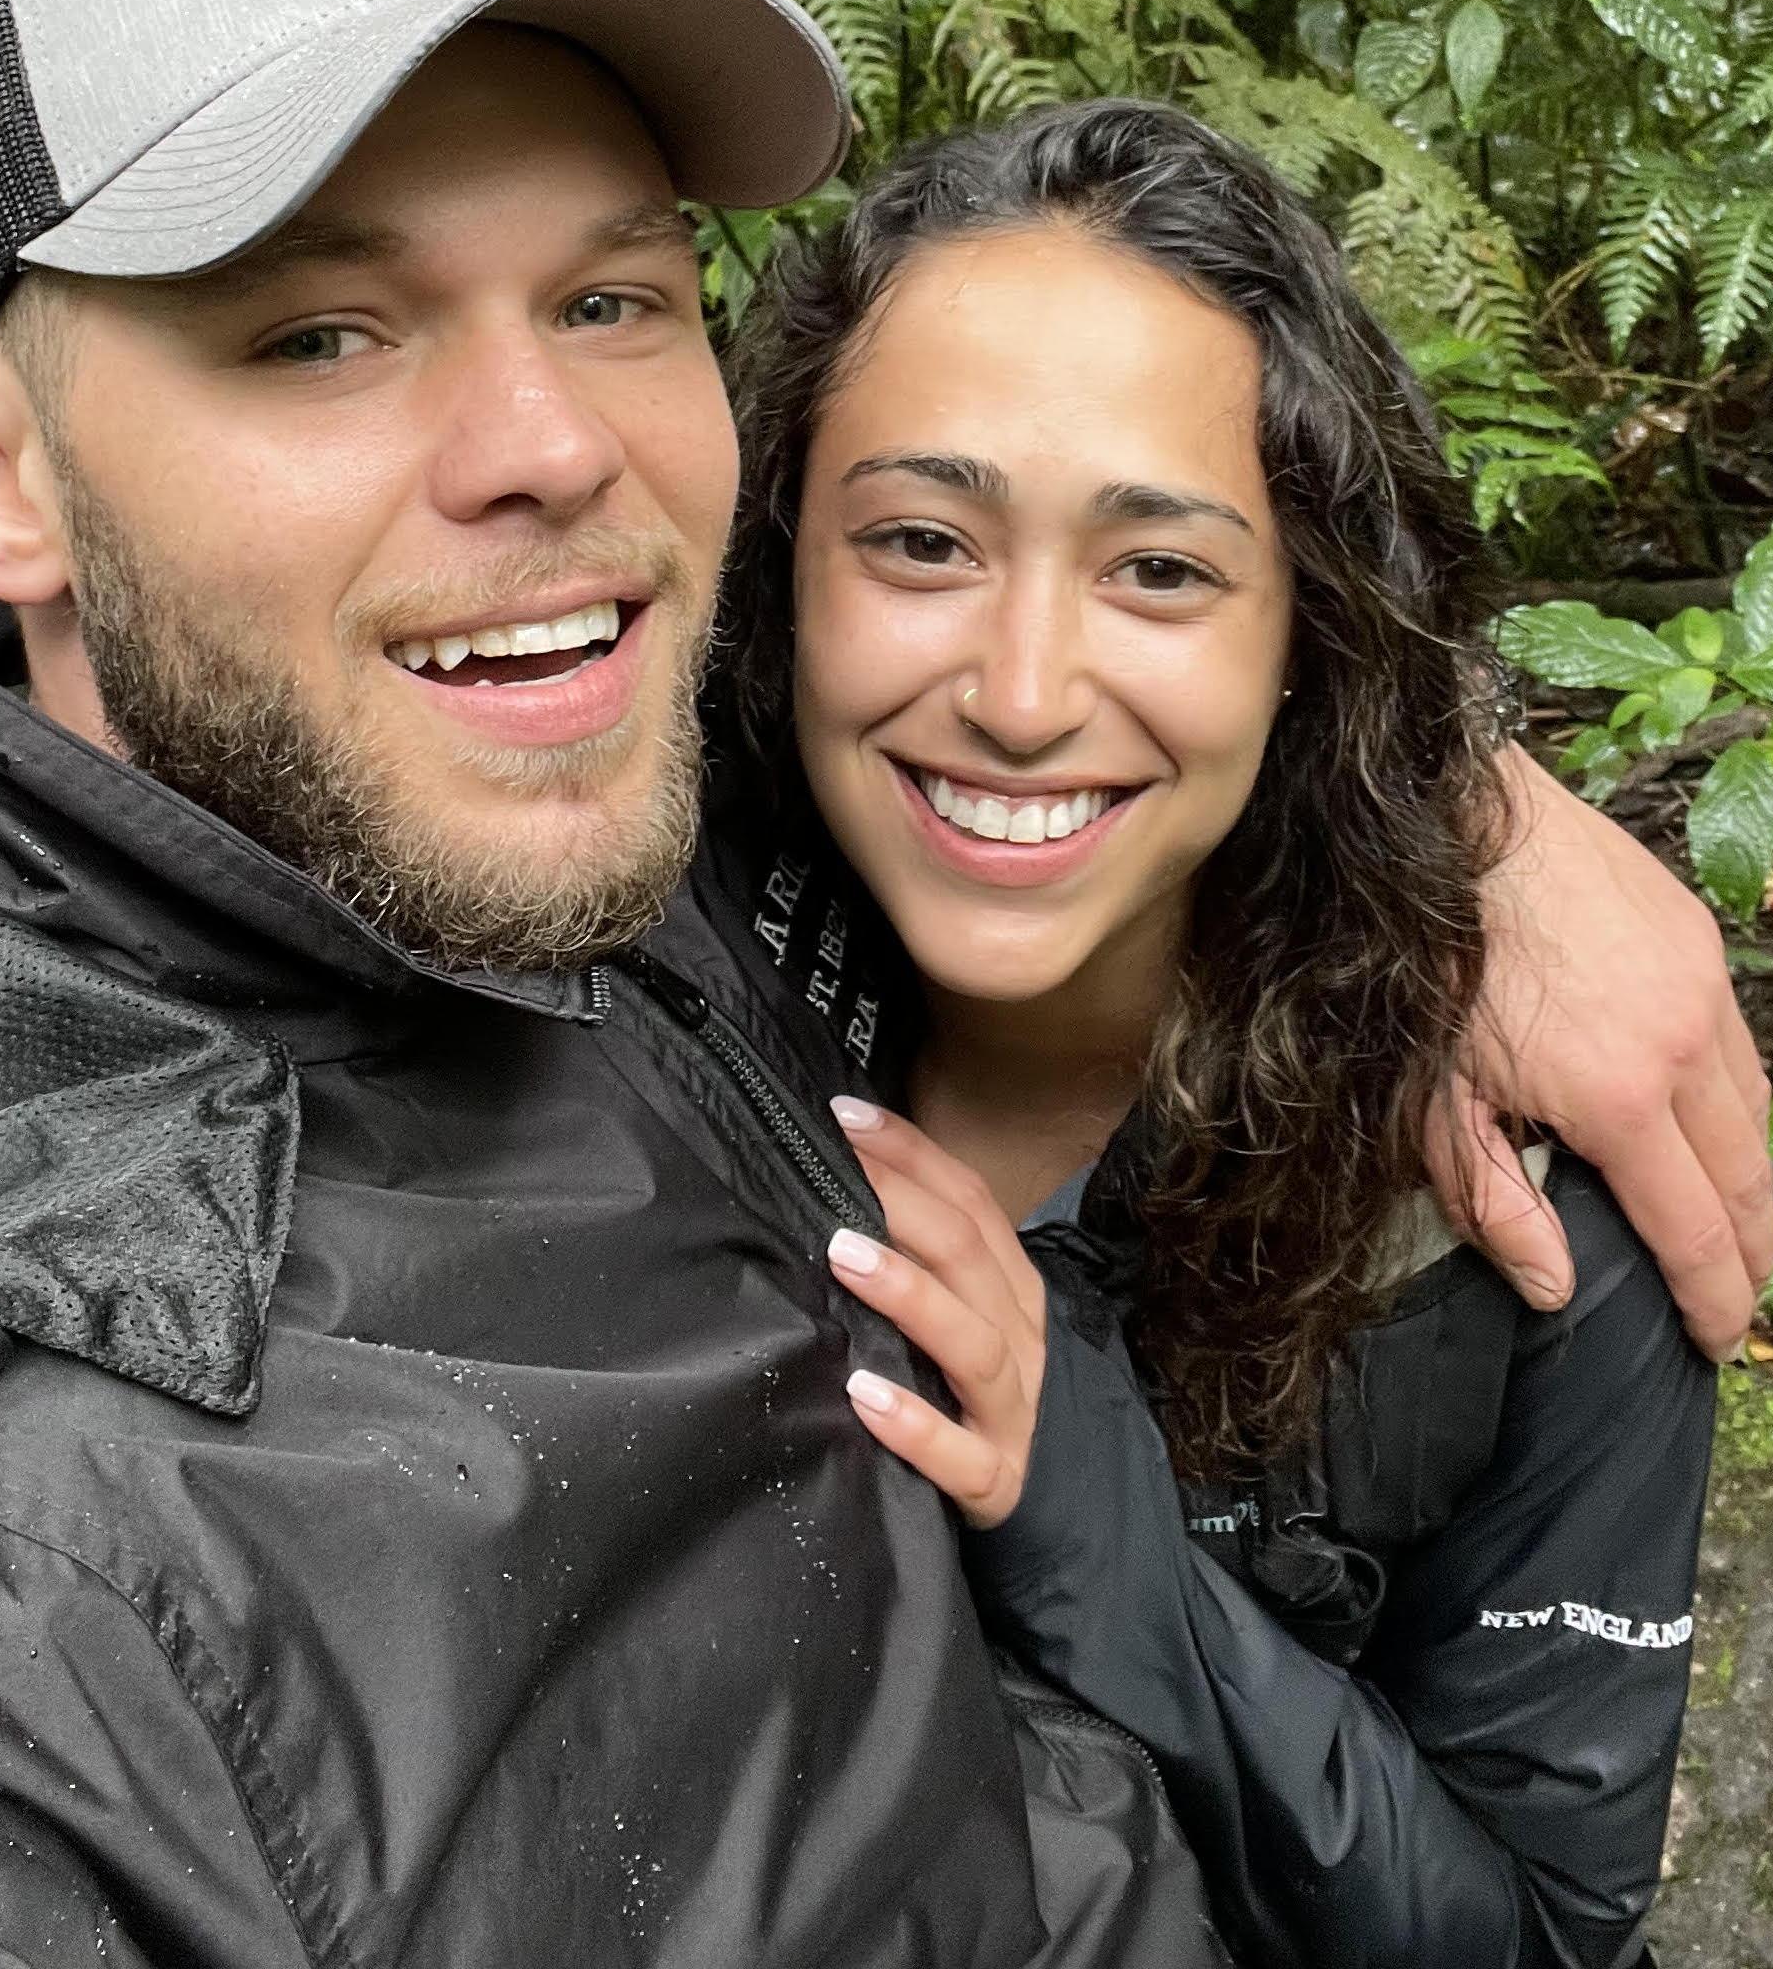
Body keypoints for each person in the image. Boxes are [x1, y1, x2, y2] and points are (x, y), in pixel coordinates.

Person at [0, 0, 1767, 1965]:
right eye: (318, 330)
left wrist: (1456, 822)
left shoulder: (588, 778)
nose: (548, 444)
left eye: (613, 294)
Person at [708, 100, 1715, 1968]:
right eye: (921, 542)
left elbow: (1541, 1934)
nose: (1019, 695)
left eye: (1159, 570)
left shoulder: (1512, 1223)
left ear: (1305, 632)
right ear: (775, 572)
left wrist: (1093, 1529)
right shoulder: (637, 954)